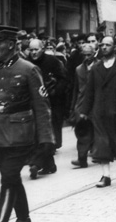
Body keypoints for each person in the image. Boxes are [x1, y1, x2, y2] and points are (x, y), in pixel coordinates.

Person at [0, 25, 54, 222]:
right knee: (12, 178)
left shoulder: (29, 69)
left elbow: (42, 107)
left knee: (8, 177)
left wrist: (46, 138)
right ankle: (24, 219)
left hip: (20, 135)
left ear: (11, 44)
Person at [80, 36, 116, 187]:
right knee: (102, 143)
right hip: (100, 112)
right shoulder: (95, 68)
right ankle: (106, 176)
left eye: (108, 45)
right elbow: (90, 92)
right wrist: (84, 111)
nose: (104, 47)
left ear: (115, 47)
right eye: (102, 45)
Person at [26, 38, 67, 179]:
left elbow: (63, 80)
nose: (33, 52)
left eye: (36, 49)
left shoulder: (53, 62)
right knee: (38, 134)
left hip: (52, 103)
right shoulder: (27, 63)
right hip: (34, 104)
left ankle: (36, 164)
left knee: (47, 134)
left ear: (42, 49)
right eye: (31, 50)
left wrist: (55, 92)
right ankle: (49, 164)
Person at [70, 43, 98, 168]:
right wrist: (73, 107)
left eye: (89, 54)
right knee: (82, 131)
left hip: (97, 104)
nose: (87, 57)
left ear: (94, 53)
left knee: (98, 131)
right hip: (81, 104)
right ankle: (82, 158)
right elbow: (75, 89)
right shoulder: (78, 69)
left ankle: (99, 153)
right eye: (84, 55)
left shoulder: (100, 66)